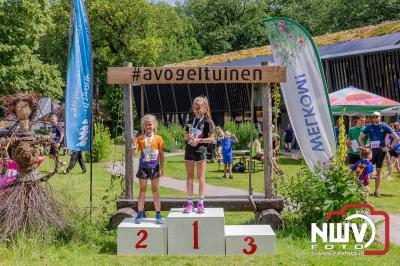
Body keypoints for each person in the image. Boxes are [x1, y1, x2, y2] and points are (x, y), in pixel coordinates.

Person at [131, 114, 165, 224]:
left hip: (154, 167)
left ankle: (158, 214)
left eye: (150, 125)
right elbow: (134, 154)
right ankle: (140, 214)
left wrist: (162, 167)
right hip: (143, 167)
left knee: (155, 191)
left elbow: (161, 154)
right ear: (143, 126)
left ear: (154, 125)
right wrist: (133, 143)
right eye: (146, 125)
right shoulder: (140, 138)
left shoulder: (158, 138)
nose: (148, 127)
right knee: (142, 191)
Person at [184, 97, 214, 213]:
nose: (196, 109)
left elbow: (211, 139)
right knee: (189, 177)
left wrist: (199, 141)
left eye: (198, 107)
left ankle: (200, 203)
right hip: (189, 151)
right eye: (195, 107)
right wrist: (187, 137)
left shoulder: (208, 122)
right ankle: (190, 203)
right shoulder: (189, 121)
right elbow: (186, 136)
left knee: (201, 178)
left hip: (200, 151)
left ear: (204, 108)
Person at [358, 112, 399, 197]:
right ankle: (365, 190)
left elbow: (396, 138)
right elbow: (360, 138)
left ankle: (376, 191)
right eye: (373, 117)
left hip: (381, 152)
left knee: (378, 171)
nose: (374, 118)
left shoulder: (384, 126)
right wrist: (364, 148)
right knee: (367, 171)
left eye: (376, 117)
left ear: (380, 117)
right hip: (371, 152)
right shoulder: (369, 127)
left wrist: (389, 147)